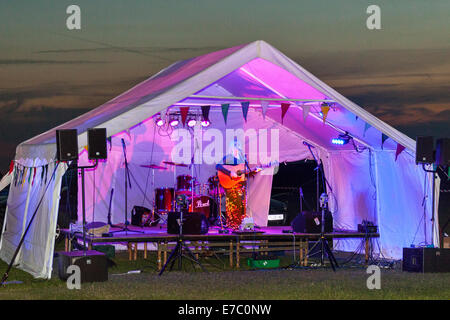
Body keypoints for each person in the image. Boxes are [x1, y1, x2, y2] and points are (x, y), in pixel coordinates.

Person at [215, 140, 248, 230]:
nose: (237, 147)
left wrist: (258, 169)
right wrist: (230, 172)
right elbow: (218, 166)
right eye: (235, 145)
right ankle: (233, 226)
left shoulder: (242, 159)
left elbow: (245, 172)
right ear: (231, 147)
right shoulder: (228, 157)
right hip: (231, 186)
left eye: (238, 145)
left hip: (241, 186)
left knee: (241, 207)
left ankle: (240, 226)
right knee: (233, 207)